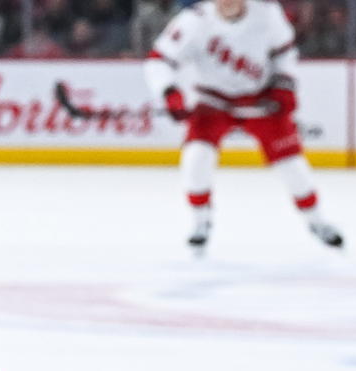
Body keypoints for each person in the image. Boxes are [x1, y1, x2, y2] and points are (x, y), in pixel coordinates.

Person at [143, 0, 343, 253]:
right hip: (213, 100)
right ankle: (200, 222)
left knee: (293, 167)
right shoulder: (193, 20)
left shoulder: (267, 14)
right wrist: (169, 92)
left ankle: (317, 221)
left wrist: (284, 84)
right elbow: (158, 60)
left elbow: (285, 53)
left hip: (260, 100)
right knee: (196, 159)